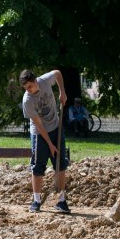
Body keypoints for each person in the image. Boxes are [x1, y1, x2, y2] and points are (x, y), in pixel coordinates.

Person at [20, 69, 71, 214]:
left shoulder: (44, 80)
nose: (28, 90)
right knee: (38, 166)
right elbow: (38, 124)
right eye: (25, 88)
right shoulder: (27, 101)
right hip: (39, 134)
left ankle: (61, 201)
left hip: (56, 127)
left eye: (30, 86)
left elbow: (58, 73)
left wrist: (62, 92)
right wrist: (50, 144)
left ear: (36, 81)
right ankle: (36, 201)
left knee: (60, 165)